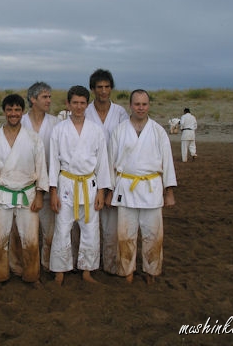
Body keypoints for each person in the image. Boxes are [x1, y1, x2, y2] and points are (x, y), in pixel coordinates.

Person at [108, 89, 177, 284]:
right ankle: (127, 271)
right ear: (130, 105)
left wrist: (169, 191)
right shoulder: (120, 130)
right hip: (126, 187)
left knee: (153, 234)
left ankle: (151, 271)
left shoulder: (158, 131)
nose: (140, 108)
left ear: (149, 106)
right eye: (137, 104)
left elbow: (167, 162)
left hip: (151, 188)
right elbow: (110, 163)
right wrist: (109, 190)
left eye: (144, 104)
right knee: (125, 234)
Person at [0, 94, 48, 286]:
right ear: (4, 112)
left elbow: (41, 167)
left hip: (28, 194)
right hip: (1, 194)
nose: (13, 114)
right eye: (9, 110)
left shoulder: (33, 138)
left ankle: (32, 275)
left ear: (23, 112)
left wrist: (40, 195)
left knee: (30, 238)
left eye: (17, 110)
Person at [49, 85, 112, 285]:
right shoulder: (58, 130)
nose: (78, 106)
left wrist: (102, 191)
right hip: (66, 183)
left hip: (89, 184)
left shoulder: (96, 130)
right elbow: (53, 163)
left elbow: (103, 162)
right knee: (62, 228)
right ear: (68, 104)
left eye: (82, 103)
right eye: (74, 102)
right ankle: (60, 270)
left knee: (91, 229)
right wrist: (53, 192)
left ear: (87, 104)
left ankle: (87, 270)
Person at [9, 82, 59, 274]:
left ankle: (47, 264)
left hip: (49, 183)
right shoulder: (18, 121)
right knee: (20, 231)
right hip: (23, 184)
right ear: (33, 99)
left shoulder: (56, 123)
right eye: (45, 97)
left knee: (49, 231)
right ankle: (18, 266)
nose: (49, 100)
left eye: (49, 97)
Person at [84, 68, 129, 276]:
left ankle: (110, 264)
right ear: (92, 89)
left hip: (113, 174)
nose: (103, 91)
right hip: (86, 174)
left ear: (111, 88)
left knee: (111, 227)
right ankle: (85, 264)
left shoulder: (120, 113)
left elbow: (124, 146)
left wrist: (112, 183)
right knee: (86, 224)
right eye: (99, 87)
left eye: (107, 87)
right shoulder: (84, 111)